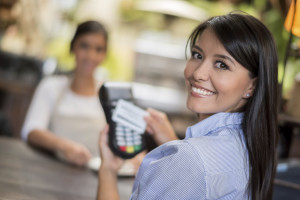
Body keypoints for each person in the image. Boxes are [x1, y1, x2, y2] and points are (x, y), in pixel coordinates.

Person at [97, 12, 278, 200]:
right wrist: (171, 142)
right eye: (197, 55)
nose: (198, 73)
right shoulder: (250, 147)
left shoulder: (187, 160)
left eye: (221, 65)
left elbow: (195, 167)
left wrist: (108, 170)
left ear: (252, 86)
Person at [21, 20, 109, 166]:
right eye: (84, 46)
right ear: (73, 47)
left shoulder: (107, 94)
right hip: (50, 170)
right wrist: (64, 146)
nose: (91, 56)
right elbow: (30, 131)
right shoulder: (51, 86)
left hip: (93, 178)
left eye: (98, 49)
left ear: (104, 55)